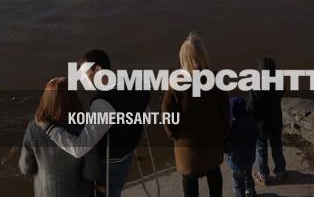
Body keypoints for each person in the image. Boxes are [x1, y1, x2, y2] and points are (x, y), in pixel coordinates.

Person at [44, 50, 150, 197]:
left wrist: (49, 128)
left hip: (108, 164)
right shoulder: (137, 83)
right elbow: (145, 115)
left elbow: (79, 148)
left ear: (98, 69)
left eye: (84, 73)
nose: (82, 78)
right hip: (127, 155)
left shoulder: (103, 101)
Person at [162, 33, 230, 197]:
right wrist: (224, 132)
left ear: (183, 59)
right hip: (212, 139)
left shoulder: (176, 84)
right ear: (204, 55)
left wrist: (173, 134)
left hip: (187, 145)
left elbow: (167, 112)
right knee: (214, 174)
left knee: (189, 178)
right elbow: (225, 109)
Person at [19, 77, 99, 197]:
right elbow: (91, 173)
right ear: (73, 98)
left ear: (46, 99)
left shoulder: (34, 128)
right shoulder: (85, 127)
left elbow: (26, 168)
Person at [248, 57, 285, 186]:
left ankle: (263, 175)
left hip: (260, 126)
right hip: (275, 122)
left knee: (261, 150)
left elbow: (251, 108)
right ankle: (280, 172)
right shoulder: (279, 84)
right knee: (277, 147)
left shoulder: (256, 87)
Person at [225, 97, 259, 197]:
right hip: (249, 157)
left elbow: (227, 143)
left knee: (238, 183)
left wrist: (226, 150)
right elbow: (256, 135)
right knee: (248, 175)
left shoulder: (232, 126)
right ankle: (251, 192)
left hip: (236, 160)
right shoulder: (251, 121)